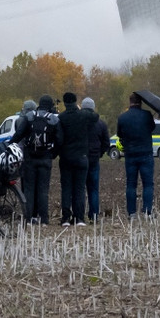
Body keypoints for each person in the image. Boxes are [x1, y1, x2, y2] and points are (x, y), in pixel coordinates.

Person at [10, 95, 62, 224]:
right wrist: (52, 154)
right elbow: (60, 140)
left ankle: (29, 218)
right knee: (43, 189)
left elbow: (19, 134)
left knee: (29, 188)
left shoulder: (30, 117)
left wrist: (9, 145)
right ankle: (43, 219)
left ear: (39, 104)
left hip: (29, 158)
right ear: (50, 105)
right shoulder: (54, 119)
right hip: (45, 158)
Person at [57, 92, 94, 226]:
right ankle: (79, 218)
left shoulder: (61, 117)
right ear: (75, 102)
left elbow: (59, 138)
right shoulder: (83, 115)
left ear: (65, 102)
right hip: (81, 157)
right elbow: (95, 116)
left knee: (66, 188)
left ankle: (66, 218)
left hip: (66, 158)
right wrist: (80, 109)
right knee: (79, 188)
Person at [117, 92, 156, 218]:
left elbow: (120, 134)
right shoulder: (147, 115)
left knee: (131, 184)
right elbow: (152, 128)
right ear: (141, 102)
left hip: (130, 154)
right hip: (146, 153)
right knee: (148, 184)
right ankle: (147, 211)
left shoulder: (122, 118)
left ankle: (132, 213)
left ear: (130, 102)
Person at [82, 98, 111, 222]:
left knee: (80, 189)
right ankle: (94, 215)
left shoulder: (78, 123)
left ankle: (79, 215)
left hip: (81, 158)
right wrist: (100, 153)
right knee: (93, 189)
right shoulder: (101, 124)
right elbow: (106, 143)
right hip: (94, 159)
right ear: (93, 108)